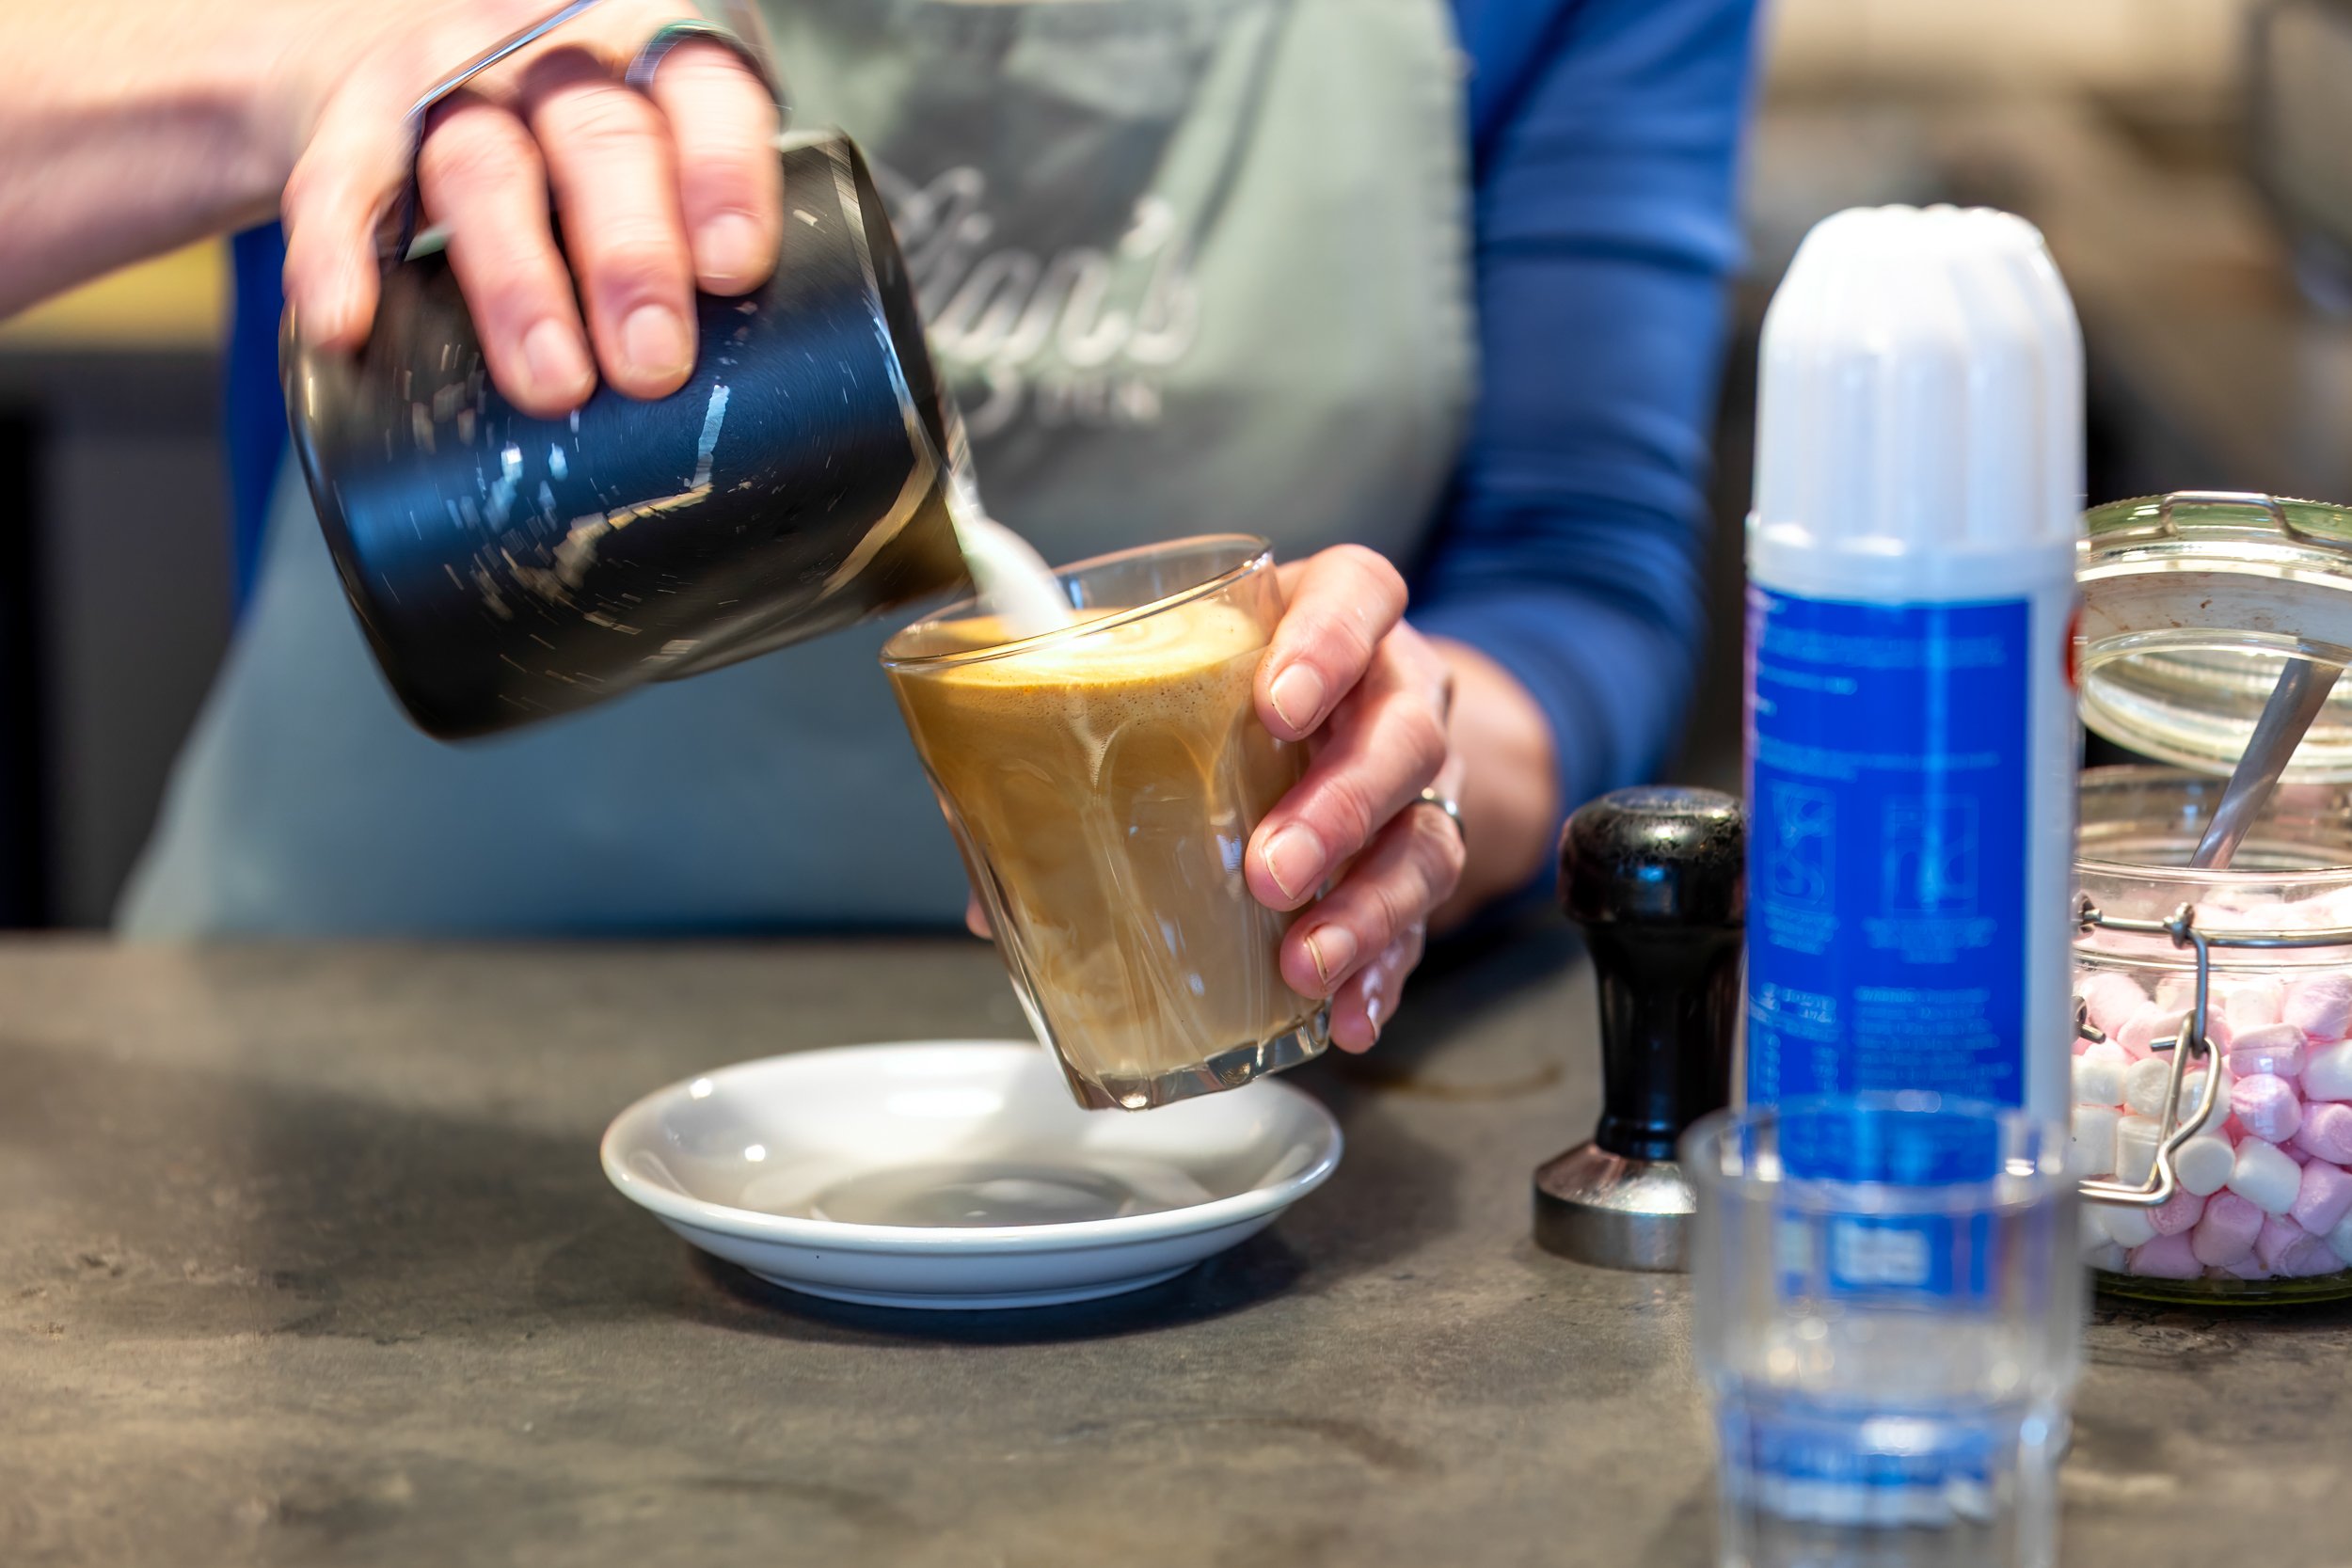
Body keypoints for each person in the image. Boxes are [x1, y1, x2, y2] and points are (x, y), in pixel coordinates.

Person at [104, 0, 1759, 1060]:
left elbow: (1580, 573)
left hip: (1118, 1119)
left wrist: (1401, 755)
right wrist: (294, 66)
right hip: (329, 1061)